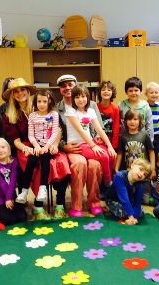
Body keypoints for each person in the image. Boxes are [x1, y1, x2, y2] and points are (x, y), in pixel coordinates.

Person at [2, 78, 69, 220]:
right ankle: (38, 206)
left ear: (28, 91)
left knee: (61, 161)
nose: (20, 93)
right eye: (16, 91)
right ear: (12, 95)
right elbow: (16, 140)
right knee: (35, 164)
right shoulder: (10, 114)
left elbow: (58, 129)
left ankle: (60, 204)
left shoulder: (40, 105)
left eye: (23, 90)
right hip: (26, 147)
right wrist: (28, 148)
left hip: (49, 144)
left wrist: (55, 145)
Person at [57, 74, 104, 217]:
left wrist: (97, 139)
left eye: (70, 85)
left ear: (76, 86)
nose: (67, 88)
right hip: (72, 148)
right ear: (60, 89)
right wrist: (63, 146)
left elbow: (99, 128)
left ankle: (94, 202)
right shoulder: (56, 108)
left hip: (90, 146)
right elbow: (53, 132)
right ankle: (76, 205)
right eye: (63, 86)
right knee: (79, 165)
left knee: (94, 165)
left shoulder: (92, 105)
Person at [65, 84, 116, 188]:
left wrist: (110, 146)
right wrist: (93, 146)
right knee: (104, 156)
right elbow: (80, 131)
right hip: (78, 145)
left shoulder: (91, 111)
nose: (80, 100)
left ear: (88, 98)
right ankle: (108, 182)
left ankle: (105, 182)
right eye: (77, 97)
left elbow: (99, 130)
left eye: (83, 96)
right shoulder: (70, 111)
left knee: (111, 154)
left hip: (88, 143)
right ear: (73, 99)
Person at [16, 89, 59, 203]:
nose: (42, 104)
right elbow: (31, 135)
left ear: (49, 101)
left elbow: (55, 132)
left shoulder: (54, 114)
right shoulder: (32, 116)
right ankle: (24, 191)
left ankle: (42, 188)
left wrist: (46, 147)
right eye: (39, 101)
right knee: (32, 160)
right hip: (37, 145)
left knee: (45, 158)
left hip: (48, 146)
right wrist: (36, 146)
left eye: (44, 101)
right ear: (35, 102)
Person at [115, 109, 155, 205]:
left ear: (140, 121)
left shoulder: (144, 135)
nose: (132, 122)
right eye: (129, 119)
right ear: (125, 121)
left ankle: (151, 190)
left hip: (143, 174)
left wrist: (152, 169)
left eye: (135, 119)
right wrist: (116, 168)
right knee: (128, 198)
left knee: (145, 201)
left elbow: (151, 152)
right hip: (130, 173)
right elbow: (120, 153)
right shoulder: (122, 136)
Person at [0, 138, 27, 225]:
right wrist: (8, 199)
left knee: (22, 217)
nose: (1, 150)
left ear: (8, 149)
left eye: (3, 147)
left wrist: (10, 198)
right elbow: (1, 182)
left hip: (11, 196)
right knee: (9, 220)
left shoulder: (14, 161)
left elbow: (13, 181)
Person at [105, 158, 152, 225]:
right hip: (113, 200)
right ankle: (109, 208)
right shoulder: (119, 176)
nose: (141, 174)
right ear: (132, 165)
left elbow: (138, 203)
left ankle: (129, 215)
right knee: (124, 213)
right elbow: (124, 198)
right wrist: (130, 216)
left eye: (145, 174)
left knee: (140, 213)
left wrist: (134, 218)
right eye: (140, 169)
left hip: (129, 202)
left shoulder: (140, 184)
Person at [118, 76, 154, 142]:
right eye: (130, 91)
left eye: (136, 90)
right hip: (125, 140)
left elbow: (149, 127)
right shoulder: (121, 105)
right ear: (126, 92)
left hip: (142, 140)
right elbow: (118, 124)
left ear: (141, 91)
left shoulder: (145, 106)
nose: (133, 93)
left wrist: (150, 142)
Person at [96, 80, 120, 151]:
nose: (106, 91)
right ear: (100, 92)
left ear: (112, 93)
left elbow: (116, 128)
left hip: (111, 143)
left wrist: (114, 146)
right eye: (103, 90)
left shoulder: (115, 109)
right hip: (98, 142)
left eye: (109, 90)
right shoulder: (95, 107)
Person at [145, 82, 159, 157]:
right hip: (147, 134)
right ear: (146, 94)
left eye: (156, 92)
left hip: (157, 134)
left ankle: (156, 167)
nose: (154, 94)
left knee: (157, 152)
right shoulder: (144, 106)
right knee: (147, 152)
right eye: (151, 92)